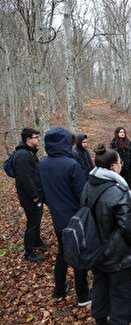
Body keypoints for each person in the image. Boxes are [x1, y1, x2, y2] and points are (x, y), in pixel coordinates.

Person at [86, 144, 131, 325]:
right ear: (114, 167)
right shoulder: (116, 190)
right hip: (117, 253)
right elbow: (128, 225)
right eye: (120, 163)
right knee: (121, 292)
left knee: (99, 288)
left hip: (96, 250)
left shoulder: (88, 184)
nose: (122, 166)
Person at [38, 127, 90, 305]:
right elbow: (83, 194)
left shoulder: (42, 164)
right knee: (79, 255)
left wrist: (54, 206)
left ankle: (59, 290)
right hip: (75, 218)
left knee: (62, 253)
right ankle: (83, 296)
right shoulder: (71, 165)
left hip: (57, 218)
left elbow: (41, 192)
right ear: (65, 143)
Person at [12, 127, 48, 262]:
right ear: (28, 139)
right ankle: (29, 252)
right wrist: (34, 195)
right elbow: (25, 178)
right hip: (30, 197)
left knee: (36, 220)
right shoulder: (22, 156)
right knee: (32, 223)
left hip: (35, 194)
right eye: (36, 137)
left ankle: (37, 241)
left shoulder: (29, 153)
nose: (38, 139)